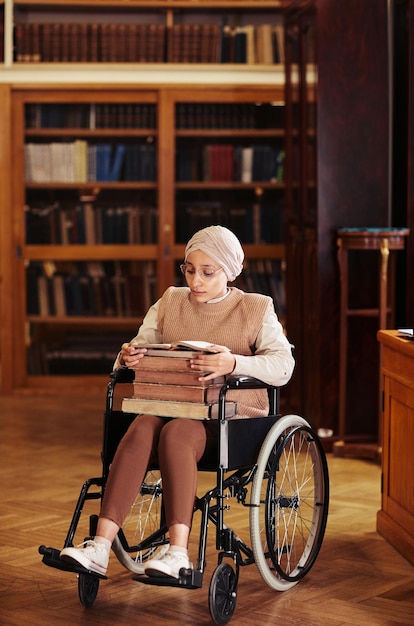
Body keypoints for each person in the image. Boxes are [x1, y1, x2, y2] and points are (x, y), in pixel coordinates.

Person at [60, 225, 295, 579]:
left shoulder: (255, 308)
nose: (195, 280)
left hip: (227, 418)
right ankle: (100, 546)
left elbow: (283, 365)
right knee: (141, 429)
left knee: (177, 434)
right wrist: (128, 356)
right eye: (189, 269)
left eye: (207, 272)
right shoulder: (170, 301)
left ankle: (177, 552)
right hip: (168, 403)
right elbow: (136, 347)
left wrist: (233, 362)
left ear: (229, 271)